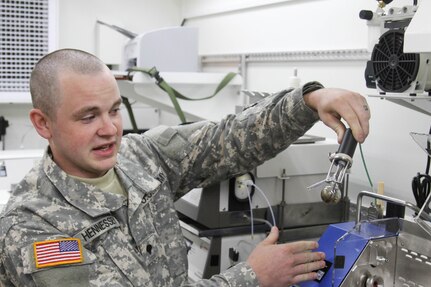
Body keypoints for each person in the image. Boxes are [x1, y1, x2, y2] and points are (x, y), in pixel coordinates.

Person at [0, 48, 370, 287]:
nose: (109, 129)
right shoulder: (33, 227)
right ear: (43, 123)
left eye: (113, 110)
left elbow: (229, 138)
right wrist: (251, 276)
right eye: (87, 117)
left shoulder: (139, 155)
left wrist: (309, 101)